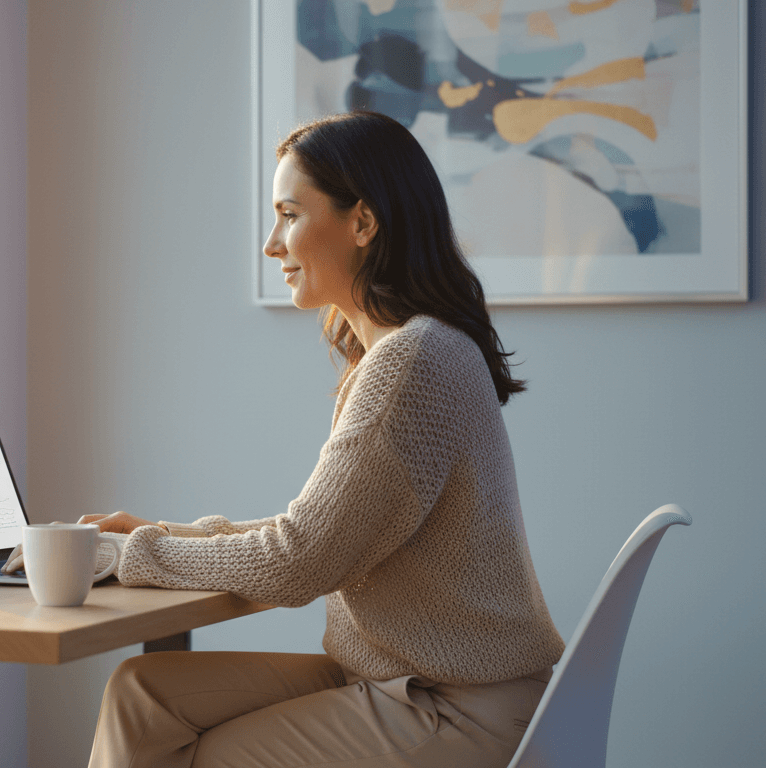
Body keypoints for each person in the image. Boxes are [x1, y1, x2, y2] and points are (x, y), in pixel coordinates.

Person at [78, 111, 565, 768]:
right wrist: (161, 534)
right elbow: (315, 538)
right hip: (407, 680)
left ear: (363, 223)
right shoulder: (407, 353)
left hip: (454, 705)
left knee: (206, 755)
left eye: (288, 214)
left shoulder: (412, 362)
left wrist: (130, 554)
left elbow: (299, 561)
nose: (271, 243)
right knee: (146, 697)